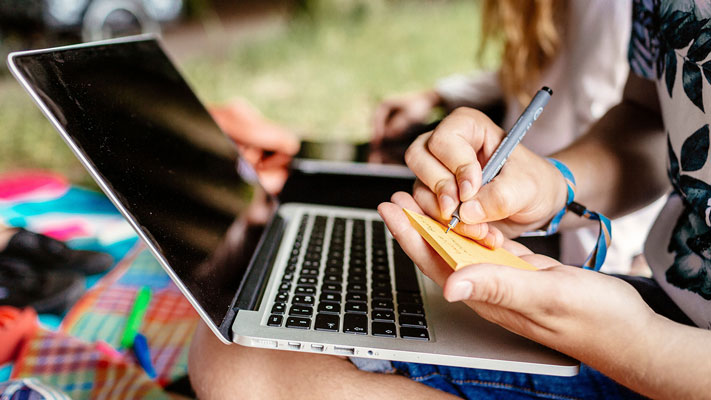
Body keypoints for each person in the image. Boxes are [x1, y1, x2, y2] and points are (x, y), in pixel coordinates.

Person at [188, 0, 711, 398]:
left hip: (671, 355)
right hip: (663, 305)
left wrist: (636, 343)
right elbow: (648, 118)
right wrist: (554, 183)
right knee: (236, 347)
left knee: (239, 366)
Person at [372, 0, 661, 274]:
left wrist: (599, 270)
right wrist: (439, 94)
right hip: (524, 205)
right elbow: (533, 67)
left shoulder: (610, 9)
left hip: (569, 226)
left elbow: (617, 117)